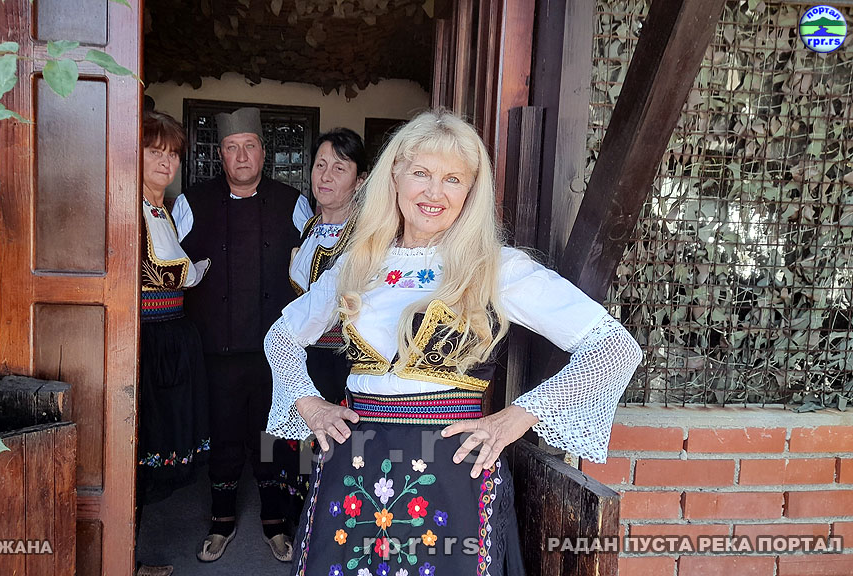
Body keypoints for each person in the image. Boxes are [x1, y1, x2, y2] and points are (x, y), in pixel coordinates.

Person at [264, 110, 643, 575]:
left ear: (470, 191)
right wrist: (309, 404)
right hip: (354, 466)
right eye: (421, 173)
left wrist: (515, 418)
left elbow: (613, 348)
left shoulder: (496, 267)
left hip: (451, 470)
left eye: (453, 179)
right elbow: (281, 337)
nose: (434, 192)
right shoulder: (358, 263)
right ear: (395, 176)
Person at [172, 106, 302, 563]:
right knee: (224, 436)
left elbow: (314, 271)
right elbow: (166, 267)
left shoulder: (293, 203)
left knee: (271, 436)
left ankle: (275, 522)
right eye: (232, 148)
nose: (241, 156)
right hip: (217, 349)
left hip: (275, 351)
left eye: (249, 146)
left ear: (263, 153)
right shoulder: (191, 202)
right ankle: (221, 521)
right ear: (220, 155)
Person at [135, 111, 211, 576]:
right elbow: (154, 272)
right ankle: (124, 556)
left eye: (173, 154)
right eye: (155, 151)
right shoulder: (130, 208)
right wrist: (192, 273)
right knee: (140, 441)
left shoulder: (163, 209)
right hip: (146, 339)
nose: (166, 162)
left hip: (172, 334)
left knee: (159, 437)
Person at [290, 128, 368, 404]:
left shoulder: (365, 235)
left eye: (339, 168)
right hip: (306, 357)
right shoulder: (310, 228)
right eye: (320, 165)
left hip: (345, 362)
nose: (325, 176)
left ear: (359, 181)